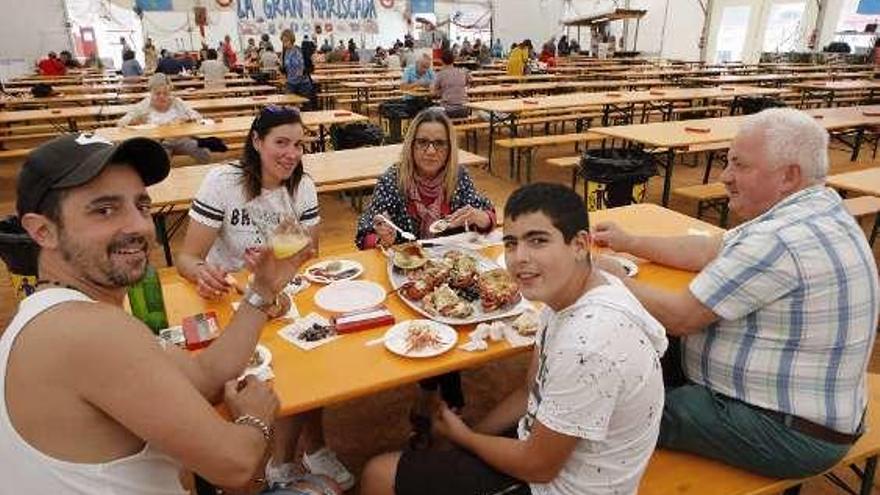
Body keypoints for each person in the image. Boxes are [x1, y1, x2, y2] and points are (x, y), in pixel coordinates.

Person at [2, 132, 321, 493]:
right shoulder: (85, 331)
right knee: (320, 488)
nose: (139, 226)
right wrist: (256, 417)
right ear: (43, 231)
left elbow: (205, 376)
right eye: (105, 210)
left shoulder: (53, 313)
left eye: (141, 206)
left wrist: (261, 290)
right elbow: (235, 466)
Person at [593, 108, 880, 479]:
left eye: (740, 165)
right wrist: (630, 241)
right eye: (727, 162)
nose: (725, 177)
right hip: (804, 410)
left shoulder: (778, 239)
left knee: (608, 410)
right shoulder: (815, 209)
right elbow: (710, 249)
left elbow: (682, 317)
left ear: (789, 176)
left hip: (782, 428)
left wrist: (602, 277)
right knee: (634, 351)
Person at [360, 182, 668, 495]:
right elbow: (528, 390)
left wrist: (465, 439)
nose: (519, 258)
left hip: (564, 486)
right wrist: (468, 436)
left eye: (538, 241)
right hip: (545, 448)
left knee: (378, 475)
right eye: (510, 243)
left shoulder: (589, 343)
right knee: (439, 456)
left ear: (579, 244)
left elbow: (539, 467)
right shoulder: (571, 293)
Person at [175, 106, 355, 490]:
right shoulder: (223, 182)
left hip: (286, 294)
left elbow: (311, 251)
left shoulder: (301, 186)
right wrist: (202, 273)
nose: (291, 153)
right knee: (263, 373)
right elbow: (186, 258)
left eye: (299, 145)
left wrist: (283, 257)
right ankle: (281, 458)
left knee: (311, 360)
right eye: (281, 143)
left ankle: (308, 448)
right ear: (256, 142)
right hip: (232, 298)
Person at [355, 108, 496, 448]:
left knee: (452, 312)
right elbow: (362, 235)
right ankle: (447, 401)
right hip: (407, 274)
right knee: (439, 318)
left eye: (439, 144)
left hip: (450, 269)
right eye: (422, 143)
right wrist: (382, 237)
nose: (430, 151)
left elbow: (489, 218)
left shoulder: (458, 177)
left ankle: (430, 399)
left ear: (449, 148)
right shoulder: (393, 178)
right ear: (411, 146)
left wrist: (479, 216)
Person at [117, 73, 211, 164]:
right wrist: (134, 120)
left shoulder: (177, 102)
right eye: (158, 94)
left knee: (203, 151)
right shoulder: (144, 105)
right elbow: (121, 123)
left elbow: (197, 116)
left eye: (165, 93)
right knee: (161, 161)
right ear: (151, 93)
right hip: (159, 143)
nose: (162, 96)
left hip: (180, 139)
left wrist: (187, 119)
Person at [432, 49, 470, 119]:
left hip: (448, 110)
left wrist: (442, 91)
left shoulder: (440, 74)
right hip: (464, 109)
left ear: (441, 61)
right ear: (454, 60)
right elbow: (467, 84)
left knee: (429, 112)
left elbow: (433, 93)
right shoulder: (462, 72)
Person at [281, 29, 311, 98]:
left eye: (286, 41)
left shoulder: (297, 51)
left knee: (303, 106)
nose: (284, 43)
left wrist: (296, 75)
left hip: (302, 84)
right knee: (289, 104)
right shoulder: (285, 52)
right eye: (283, 41)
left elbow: (301, 68)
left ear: (291, 40)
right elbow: (285, 67)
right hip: (291, 83)